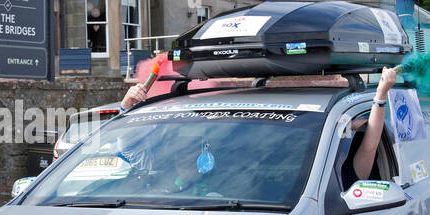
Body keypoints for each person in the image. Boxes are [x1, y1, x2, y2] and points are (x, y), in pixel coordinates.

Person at [119, 64, 401, 185]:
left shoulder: (347, 176)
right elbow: (126, 147)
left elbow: (371, 143)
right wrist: (127, 108)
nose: (185, 147)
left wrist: (380, 96)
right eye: (183, 143)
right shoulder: (221, 167)